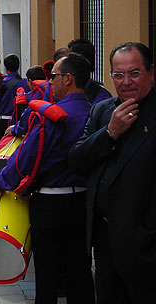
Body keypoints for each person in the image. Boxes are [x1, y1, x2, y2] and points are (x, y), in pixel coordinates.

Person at [0, 53, 95, 304]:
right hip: (85, 203)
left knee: (48, 274)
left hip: (50, 205)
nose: (49, 81)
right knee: (80, 270)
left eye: (54, 76)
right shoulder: (98, 111)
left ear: (68, 79)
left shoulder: (52, 115)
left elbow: (26, 158)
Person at [69, 42, 155, 303]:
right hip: (105, 248)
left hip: (145, 253)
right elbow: (77, 161)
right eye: (118, 75)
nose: (126, 82)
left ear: (151, 73)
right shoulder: (103, 111)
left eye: (134, 73)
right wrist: (109, 133)